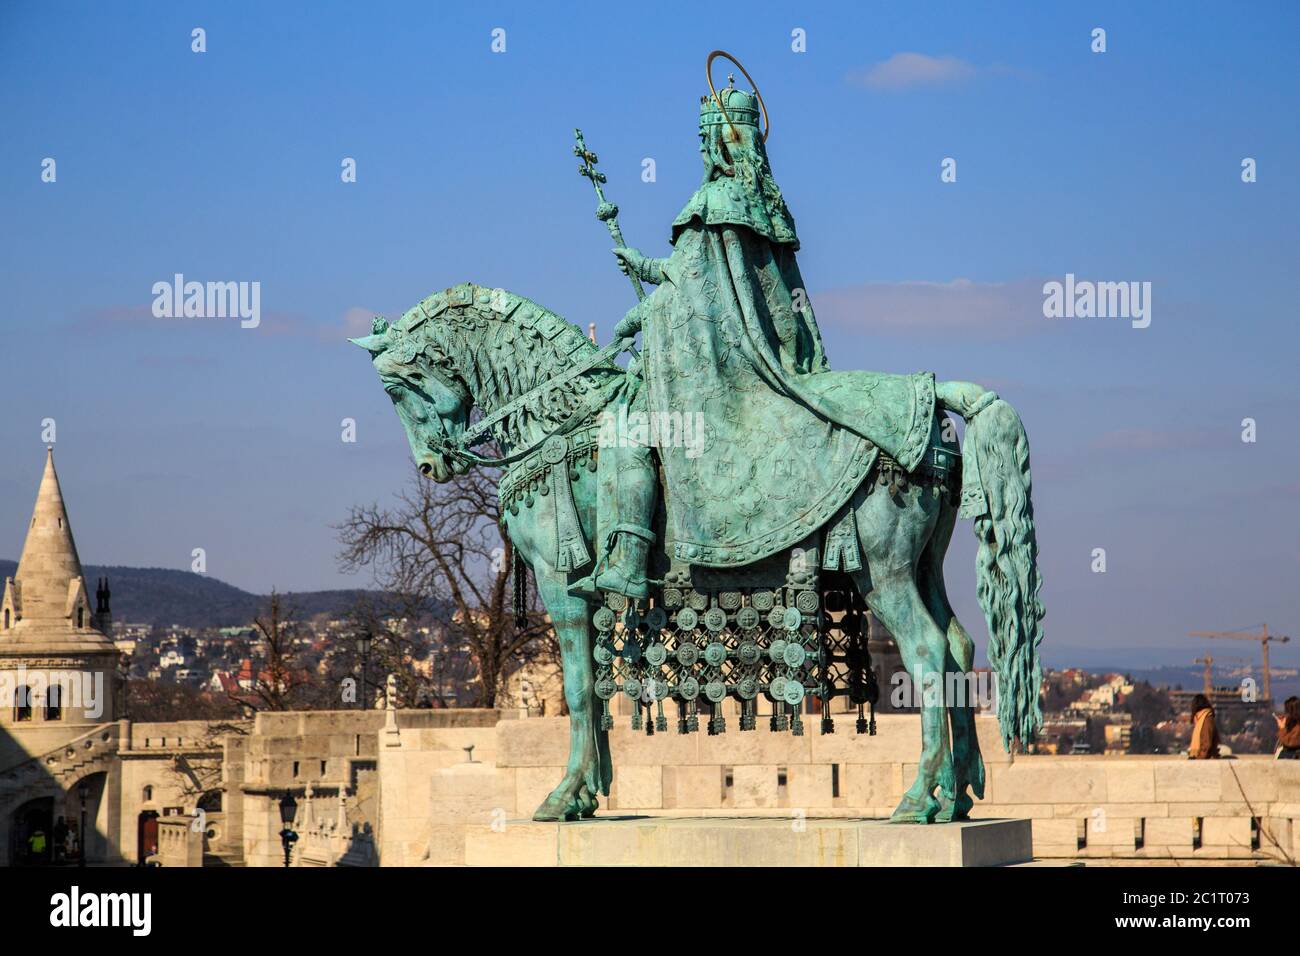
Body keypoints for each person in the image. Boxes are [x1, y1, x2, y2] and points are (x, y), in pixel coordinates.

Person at [571, 68, 974, 598]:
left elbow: (692, 296)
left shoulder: (715, 203)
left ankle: (626, 562)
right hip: (771, 359)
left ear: (720, 138)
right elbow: (749, 296)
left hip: (726, 373)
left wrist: (636, 315)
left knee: (624, 429)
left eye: (702, 138)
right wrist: (649, 269)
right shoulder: (765, 203)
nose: (699, 149)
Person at [1188, 693, 1220, 759]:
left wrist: (1199, 758)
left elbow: (1206, 743)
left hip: (1204, 759)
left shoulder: (1206, 719)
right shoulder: (1202, 719)